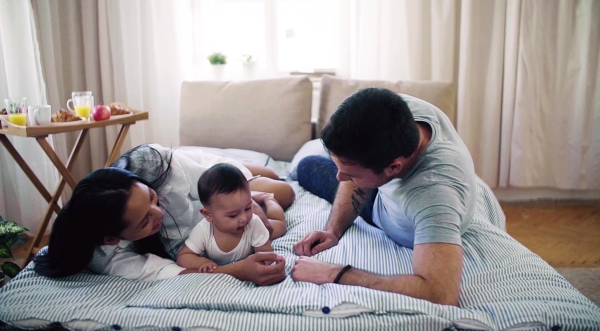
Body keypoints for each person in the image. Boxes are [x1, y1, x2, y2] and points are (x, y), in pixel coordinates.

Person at [291, 88, 476, 306]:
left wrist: (336, 274)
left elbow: (440, 293)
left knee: (307, 167)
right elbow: (351, 171)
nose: (340, 177)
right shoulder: (393, 109)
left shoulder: (434, 196)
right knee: (313, 162)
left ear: (394, 167)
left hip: (398, 202)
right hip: (382, 177)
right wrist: (333, 230)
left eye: (350, 174)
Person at [34, 144, 292, 285]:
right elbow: (170, 271)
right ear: (114, 238)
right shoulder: (107, 256)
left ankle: (244, 169)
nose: (158, 213)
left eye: (151, 198)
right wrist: (238, 270)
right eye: (144, 220)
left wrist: (245, 206)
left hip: (209, 176)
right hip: (209, 211)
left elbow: (211, 184)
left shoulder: (157, 167)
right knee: (279, 192)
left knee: (283, 190)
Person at [177, 163, 284, 273]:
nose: (243, 218)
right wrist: (202, 262)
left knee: (279, 226)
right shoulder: (204, 231)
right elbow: (184, 256)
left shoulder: (253, 222)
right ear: (208, 215)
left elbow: (265, 253)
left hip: (263, 222)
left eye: (248, 208)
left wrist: (264, 263)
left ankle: (268, 199)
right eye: (233, 215)